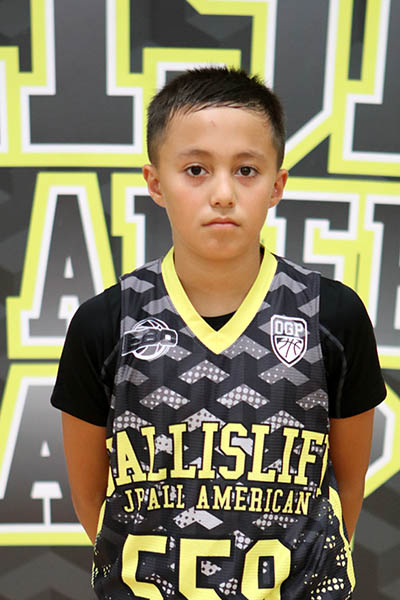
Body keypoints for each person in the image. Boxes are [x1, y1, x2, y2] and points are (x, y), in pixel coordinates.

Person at [51, 66, 386, 599]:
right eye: (196, 170)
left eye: (246, 170)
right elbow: (90, 498)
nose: (224, 193)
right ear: (155, 183)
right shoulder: (105, 324)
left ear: (276, 185)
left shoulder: (332, 315)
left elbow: (347, 488)